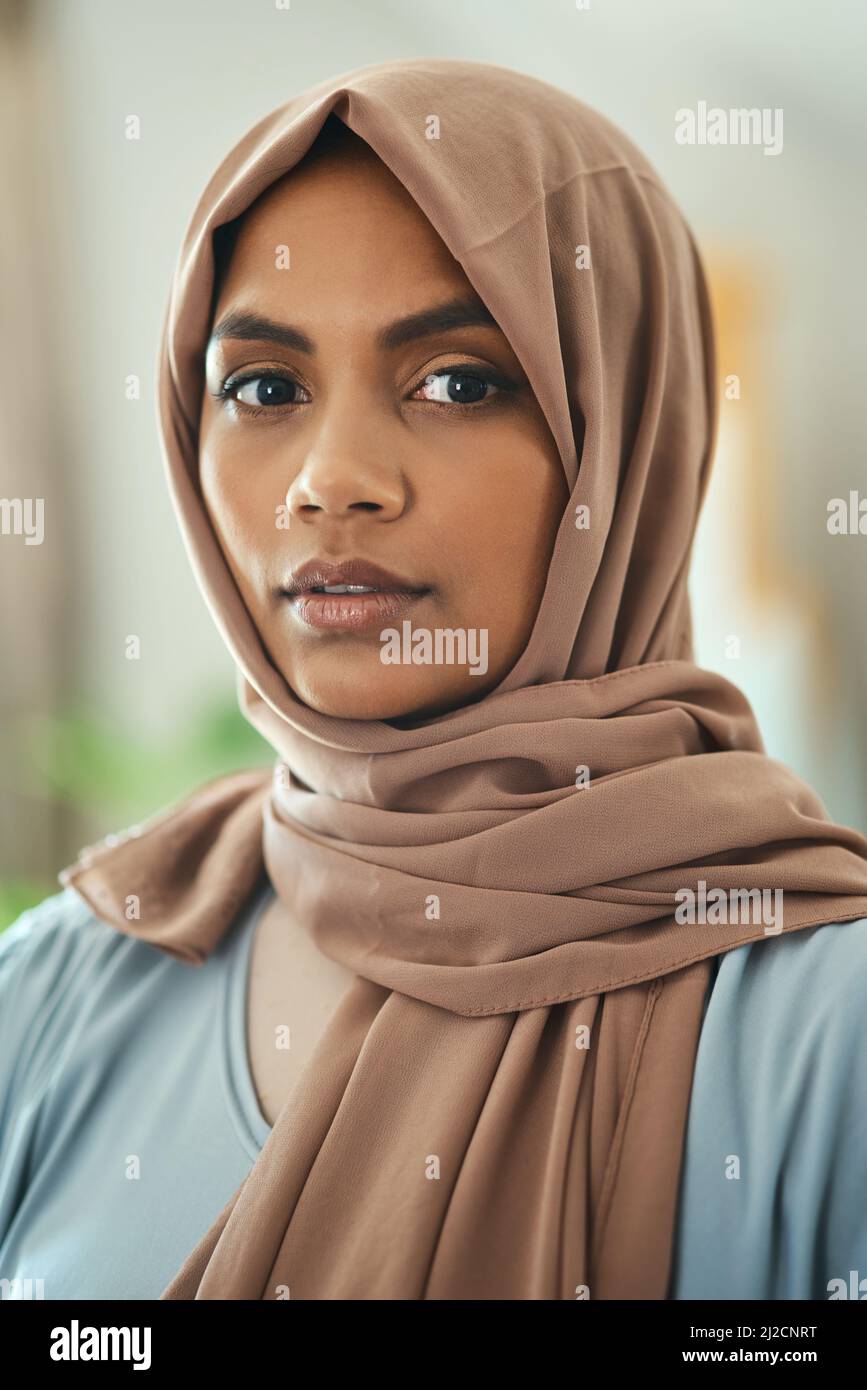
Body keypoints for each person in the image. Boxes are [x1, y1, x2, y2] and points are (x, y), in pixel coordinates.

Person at [2, 58, 867, 1302]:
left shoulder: (824, 1027)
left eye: (458, 382)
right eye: (264, 388)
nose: (332, 481)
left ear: (629, 438)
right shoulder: (60, 986)